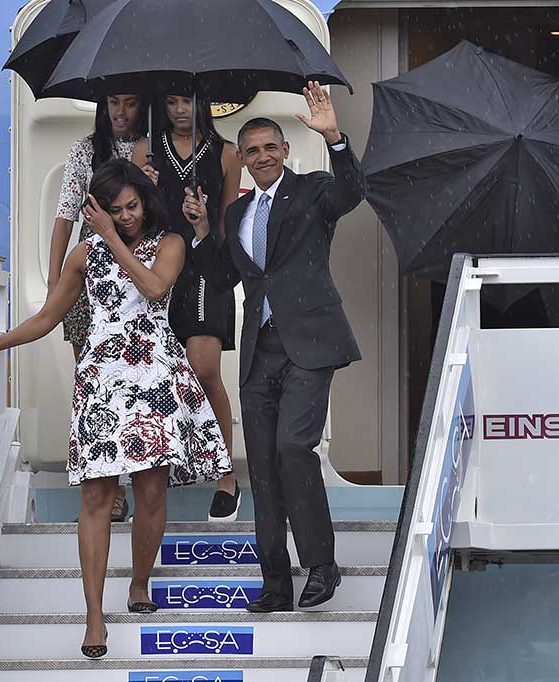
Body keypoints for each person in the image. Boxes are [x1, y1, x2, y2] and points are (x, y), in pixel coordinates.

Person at [0, 159, 232, 657]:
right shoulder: (84, 254)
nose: (126, 217)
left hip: (154, 378)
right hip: (101, 381)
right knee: (97, 497)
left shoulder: (170, 243)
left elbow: (155, 288)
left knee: (151, 490)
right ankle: (94, 615)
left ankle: (139, 583)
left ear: (145, 200)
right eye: (115, 211)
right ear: (98, 208)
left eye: (132, 206)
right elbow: (48, 317)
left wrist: (113, 242)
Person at [182, 82, 365, 612]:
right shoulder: (236, 215)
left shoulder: (312, 192)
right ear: (240, 157)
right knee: (260, 466)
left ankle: (321, 565)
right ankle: (275, 584)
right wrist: (199, 232)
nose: (261, 156)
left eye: (270, 147)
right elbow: (223, 278)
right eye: (252, 150)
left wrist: (334, 136)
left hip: (310, 343)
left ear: (284, 151)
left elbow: (352, 191)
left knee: (292, 449)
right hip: (259, 349)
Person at [131, 94, 242, 521]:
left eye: (187, 101)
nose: (180, 109)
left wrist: (204, 220)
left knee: (204, 368)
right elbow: (132, 214)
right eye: (172, 101)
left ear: (203, 104)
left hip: (205, 267)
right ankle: (160, 468)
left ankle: (225, 473)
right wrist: (141, 183)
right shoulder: (146, 148)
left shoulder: (227, 153)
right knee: (157, 374)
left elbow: (229, 224)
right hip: (159, 265)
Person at [51, 93, 147, 522]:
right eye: (113, 103)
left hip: (140, 270)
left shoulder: (152, 146)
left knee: (136, 382)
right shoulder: (84, 150)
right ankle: (105, 484)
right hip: (90, 272)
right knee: (94, 385)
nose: (120, 113)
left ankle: (132, 480)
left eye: (129, 103)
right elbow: (65, 215)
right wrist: (56, 284)